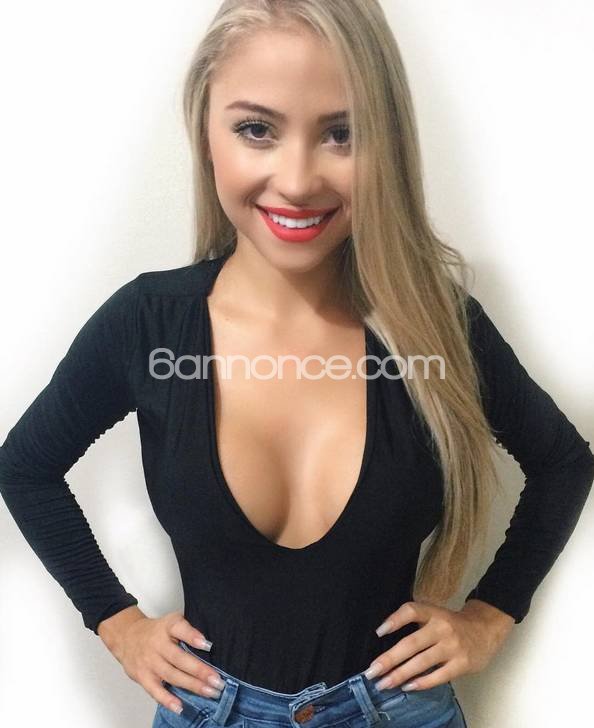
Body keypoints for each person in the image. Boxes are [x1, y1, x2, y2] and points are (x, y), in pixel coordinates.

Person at [1, 1, 593, 726]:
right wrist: (116, 622)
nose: (298, 179)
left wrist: (490, 617)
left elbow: (563, 462)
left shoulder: (439, 328)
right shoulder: (147, 325)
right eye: (257, 129)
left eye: (343, 133)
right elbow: (25, 466)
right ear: (205, 132)